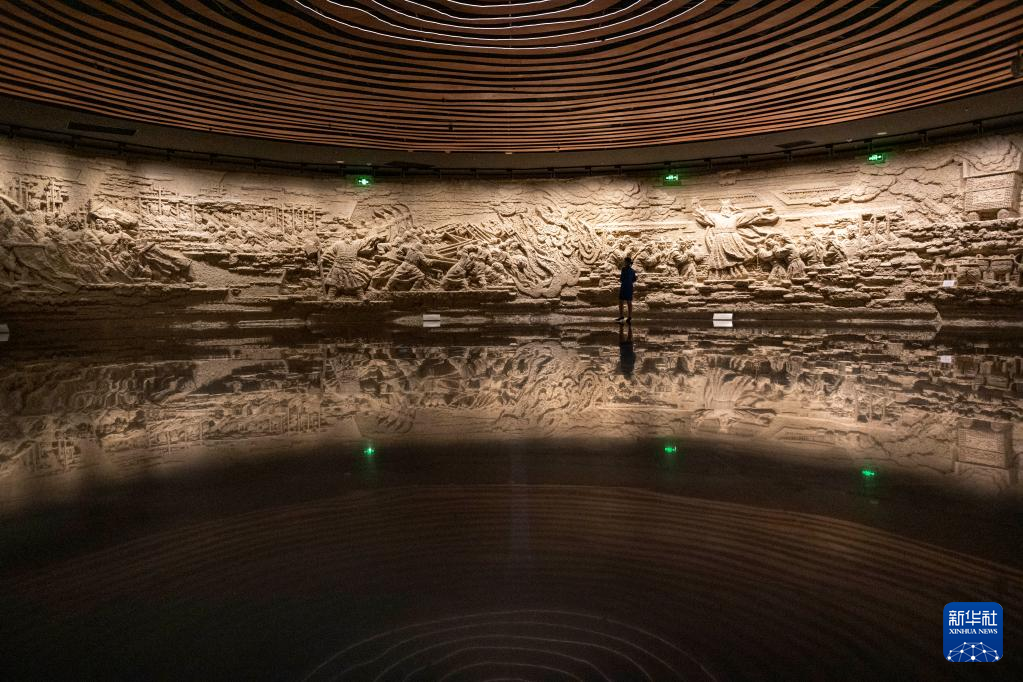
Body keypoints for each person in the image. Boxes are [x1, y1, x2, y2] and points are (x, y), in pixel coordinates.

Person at [616, 256, 637, 322]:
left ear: (627, 262)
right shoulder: (632, 271)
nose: (624, 262)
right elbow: (634, 279)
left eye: (625, 261)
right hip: (629, 286)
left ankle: (621, 316)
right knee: (629, 302)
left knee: (621, 301)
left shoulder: (623, 269)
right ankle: (629, 316)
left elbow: (621, 279)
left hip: (624, 286)